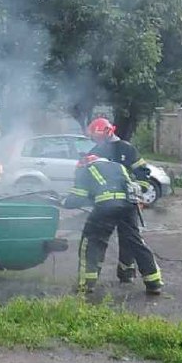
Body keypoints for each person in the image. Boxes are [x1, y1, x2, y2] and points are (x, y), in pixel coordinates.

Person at [62, 154, 163, 295]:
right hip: (129, 206)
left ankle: (86, 284)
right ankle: (154, 282)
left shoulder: (87, 169)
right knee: (135, 242)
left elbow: (77, 197)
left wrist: (64, 202)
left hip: (107, 207)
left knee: (91, 241)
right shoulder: (118, 166)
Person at [86, 117, 154, 283]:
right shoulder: (95, 152)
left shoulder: (126, 149)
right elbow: (88, 178)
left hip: (127, 203)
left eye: (99, 137)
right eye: (95, 138)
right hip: (105, 205)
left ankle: (126, 272)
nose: (97, 141)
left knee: (129, 239)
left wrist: (138, 191)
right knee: (99, 239)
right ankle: (92, 278)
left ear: (109, 132)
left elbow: (143, 172)